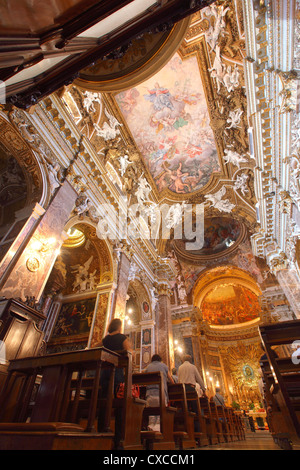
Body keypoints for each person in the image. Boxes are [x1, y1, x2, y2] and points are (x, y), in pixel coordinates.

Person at [97, 318, 132, 449]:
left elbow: (95, 347)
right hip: (116, 372)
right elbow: (129, 353)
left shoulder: (105, 339)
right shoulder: (122, 337)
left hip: (104, 373)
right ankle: (118, 438)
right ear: (119, 327)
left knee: (104, 401)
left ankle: (102, 430)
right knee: (119, 403)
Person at [144, 354, 174, 431]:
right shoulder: (164, 366)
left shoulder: (148, 367)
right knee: (160, 418)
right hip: (161, 395)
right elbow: (171, 380)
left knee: (151, 417)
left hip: (149, 396)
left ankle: (151, 432)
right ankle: (159, 434)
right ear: (160, 360)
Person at [178, 355, 206, 433]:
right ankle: (197, 432)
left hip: (182, 390)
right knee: (195, 410)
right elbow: (199, 379)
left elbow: (179, 380)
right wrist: (203, 390)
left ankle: (187, 431)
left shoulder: (180, 367)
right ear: (190, 360)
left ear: (183, 360)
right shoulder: (193, 367)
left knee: (185, 411)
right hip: (191, 389)